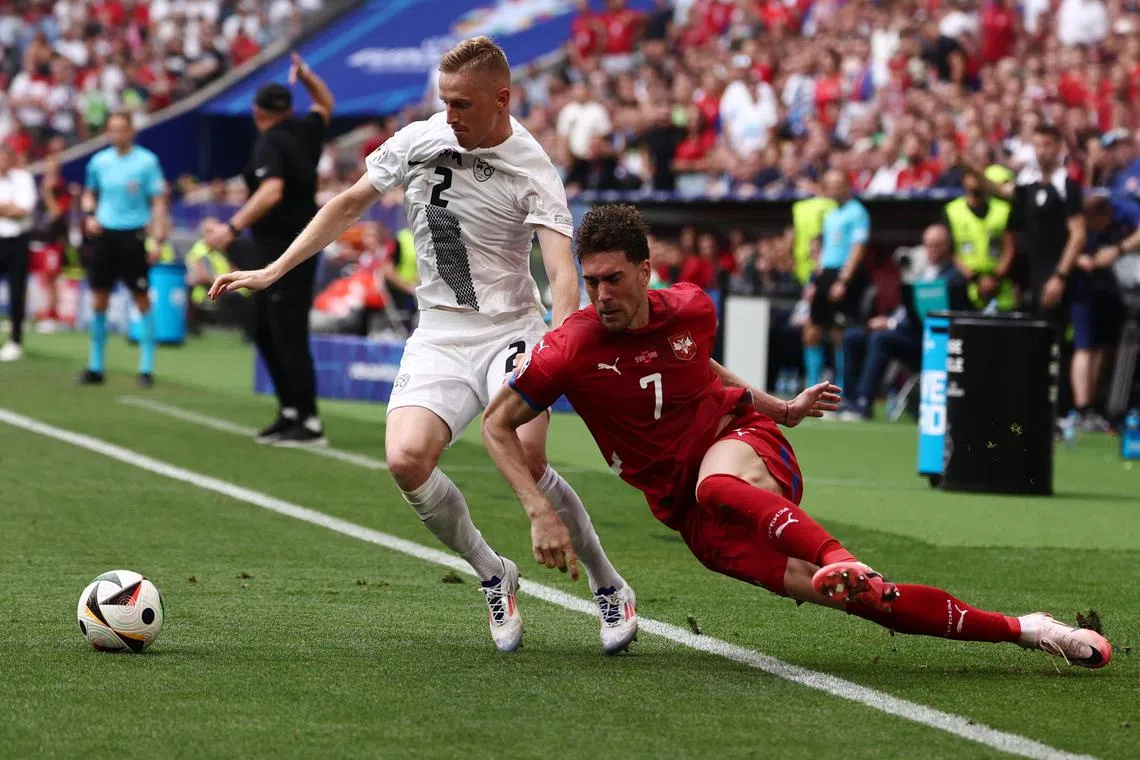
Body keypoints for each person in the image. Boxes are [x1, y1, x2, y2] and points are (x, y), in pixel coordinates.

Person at [482, 204, 1112, 670]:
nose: (600, 294)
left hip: (745, 448)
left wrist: (778, 411)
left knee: (720, 485)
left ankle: (838, 555)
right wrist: (537, 508)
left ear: (646, 270)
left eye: (613, 279)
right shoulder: (571, 348)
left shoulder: (694, 307)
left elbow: (698, 365)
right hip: (692, 519)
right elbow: (496, 424)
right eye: (590, 282)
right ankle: (1031, 631)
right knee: (871, 600)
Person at [209, 37, 636, 655]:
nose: (450, 114)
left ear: (502, 99)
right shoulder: (419, 139)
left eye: (462, 104)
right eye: (444, 101)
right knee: (407, 460)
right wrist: (273, 269)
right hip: (439, 329)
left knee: (529, 458)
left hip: (512, 328)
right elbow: (351, 202)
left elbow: (561, 271)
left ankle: (607, 584)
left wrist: (562, 345)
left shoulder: (533, 165)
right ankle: (494, 573)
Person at [203, 53, 333, 447]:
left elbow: (271, 191)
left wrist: (231, 227)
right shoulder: (305, 130)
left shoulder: (271, 142)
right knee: (264, 328)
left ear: (258, 112)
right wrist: (308, 76)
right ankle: (290, 410)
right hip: (295, 246)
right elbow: (325, 104)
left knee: (287, 332)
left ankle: (309, 422)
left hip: (282, 250)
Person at [840, 224, 968, 421]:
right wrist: (890, 321)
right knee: (852, 337)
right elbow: (908, 308)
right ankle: (848, 401)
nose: (931, 250)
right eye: (928, 245)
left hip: (929, 343)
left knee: (880, 339)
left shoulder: (955, 278)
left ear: (948, 247)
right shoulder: (923, 272)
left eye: (937, 245)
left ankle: (864, 403)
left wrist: (892, 326)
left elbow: (938, 317)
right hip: (906, 331)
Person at [78, 111, 168, 386]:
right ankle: (95, 366)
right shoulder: (99, 161)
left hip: (134, 235)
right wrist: (90, 214)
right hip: (105, 234)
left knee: (140, 297)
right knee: (99, 298)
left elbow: (158, 202)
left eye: (121, 129)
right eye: (112, 129)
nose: (116, 134)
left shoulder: (147, 162)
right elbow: (89, 192)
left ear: (131, 131)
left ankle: (146, 368)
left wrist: (157, 238)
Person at [1068, 195, 1138, 432]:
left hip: (1114, 286)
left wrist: (1115, 251)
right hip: (1082, 285)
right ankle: (1082, 409)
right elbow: (1055, 241)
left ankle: (1097, 405)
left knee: (1105, 347)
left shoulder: (1124, 208)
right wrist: (1077, 258)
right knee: (1084, 346)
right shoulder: (1074, 212)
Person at [803, 169, 870, 391]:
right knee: (811, 331)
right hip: (826, 274)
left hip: (843, 274)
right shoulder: (831, 215)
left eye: (836, 184)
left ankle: (840, 390)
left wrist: (843, 280)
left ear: (846, 185)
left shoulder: (857, 212)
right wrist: (815, 280)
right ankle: (812, 386)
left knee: (838, 333)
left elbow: (858, 248)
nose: (832, 189)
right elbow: (824, 251)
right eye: (828, 184)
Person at [943, 168, 1016, 311]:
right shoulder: (952, 211)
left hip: (998, 284)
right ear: (963, 180)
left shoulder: (1003, 210)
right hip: (965, 284)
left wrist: (994, 278)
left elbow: (1009, 247)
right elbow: (952, 253)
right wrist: (976, 280)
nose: (975, 181)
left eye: (979, 177)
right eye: (970, 176)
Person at [0, 143, 36, 361]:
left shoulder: (23, 178)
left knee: (16, 291)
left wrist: (7, 210)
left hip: (18, 241)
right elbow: (13, 208)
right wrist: (9, 208)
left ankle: (15, 340)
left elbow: (23, 210)